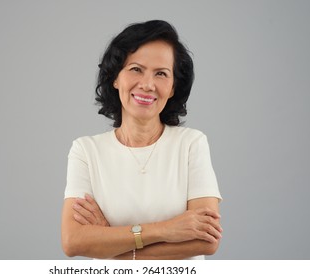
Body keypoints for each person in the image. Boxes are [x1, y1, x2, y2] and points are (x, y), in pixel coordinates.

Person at [61, 20, 222, 260]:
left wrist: (111, 242)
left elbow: (206, 241)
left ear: (173, 87)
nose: (147, 84)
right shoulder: (86, 151)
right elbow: (73, 242)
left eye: (161, 74)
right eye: (136, 69)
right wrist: (165, 230)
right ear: (115, 78)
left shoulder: (191, 144)